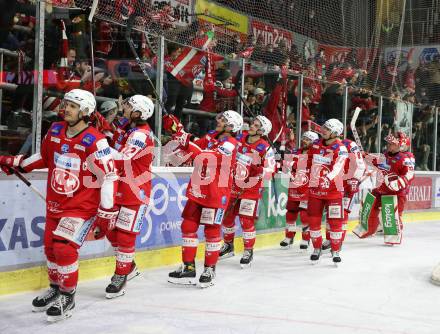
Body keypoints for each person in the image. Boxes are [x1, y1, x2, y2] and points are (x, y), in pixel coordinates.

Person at [0, 89, 118, 322]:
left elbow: (109, 177)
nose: (66, 109)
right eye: (66, 104)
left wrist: (107, 210)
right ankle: (56, 287)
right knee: (51, 248)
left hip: (81, 207)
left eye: (72, 106)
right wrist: (18, 163)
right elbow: (44, 157)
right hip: (55, 204)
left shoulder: (96, 140)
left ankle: (68, 294)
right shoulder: (55, 130)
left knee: (64, 247)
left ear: (85, 112)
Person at [163, 110, 243, 287]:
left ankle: (210, 269)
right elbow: (193, 147)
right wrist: (179, 132)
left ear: (231, 127)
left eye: (223, 120)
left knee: (211, 230)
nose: (218, 121)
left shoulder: (231, 144)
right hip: (198, 189)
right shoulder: (212, 137)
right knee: (188, 226)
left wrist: (187, 142)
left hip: (215, 193)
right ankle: (188, 267)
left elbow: (206, 157)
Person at [104, 95, 155, 298]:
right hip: (119, 187)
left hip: (135, 191)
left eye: (128, 105)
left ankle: (121, 274)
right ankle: (129, 266)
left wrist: (99, 146)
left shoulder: (140, 135)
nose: (123, 107)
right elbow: (115, 146)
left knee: (125, 234)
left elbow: (123, 157)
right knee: (109, 228)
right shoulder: (129, 129)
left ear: (138, 113)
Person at [219, 115, 275, 267]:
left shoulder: (265, 147)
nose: (251, 126)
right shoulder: (240, 138)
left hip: (251, 189)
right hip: (234, 186)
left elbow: (271, 171)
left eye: (256, 125)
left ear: (262, 131)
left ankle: (248, 250)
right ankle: (229, 245)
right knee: (227, 217)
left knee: (246, 220)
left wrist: (258, 169)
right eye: (252, 123)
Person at [354, 132, 415, 244]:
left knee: (391, 215)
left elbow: (409, 174)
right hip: (378, 190)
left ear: (399, 145)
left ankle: (393, 237)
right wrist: (364, 155)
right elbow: (374, 161)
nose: (388, 145)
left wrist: (398, 183)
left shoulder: (404, 158)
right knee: (367, 208)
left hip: (394, 194)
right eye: (388, 143)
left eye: (391, 143)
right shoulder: (385, 155)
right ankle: (367, 230)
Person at [306, 119, 348, 265]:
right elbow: (308, 161)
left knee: (335, 222)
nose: (323, 130)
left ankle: (335, 250)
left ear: (335, 133)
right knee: (313, 221)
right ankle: (317, 249)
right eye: (324, 127)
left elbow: (337, 167)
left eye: (327, 129)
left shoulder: (341, 148)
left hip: (333, 192)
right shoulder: (316, 144)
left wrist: (327, 178)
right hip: (315, 191)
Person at [321, 137, 366, 252]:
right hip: (333, 183)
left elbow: (360, 164)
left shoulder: (350, 144)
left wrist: (355, 179)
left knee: (343, 213)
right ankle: (329, 239)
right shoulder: (325, 144)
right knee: (331, 211)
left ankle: (338, 240)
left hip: (348, 184)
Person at [279, 131, 319, 250]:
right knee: (290, 213)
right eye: (303, 138)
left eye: (307, 139)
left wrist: (291, 163)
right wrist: (282, 163)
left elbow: (301, 165)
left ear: (313, 142)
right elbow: (288, 165)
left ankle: (305, 239)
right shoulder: (296, 151)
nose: (304, 141)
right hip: (294, 187)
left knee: (304, 215)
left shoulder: (315, 154)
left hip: (307, 189)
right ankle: (289, 236)